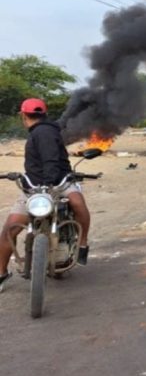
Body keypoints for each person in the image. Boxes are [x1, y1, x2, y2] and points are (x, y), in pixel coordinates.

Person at [0, 99, 91, 287]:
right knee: (10, 228)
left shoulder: (44, 132)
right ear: (44, 114)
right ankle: (83, 244)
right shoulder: (48, 129)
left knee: (10, 230)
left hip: (58, 183)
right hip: (34, 187)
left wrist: (49, 182)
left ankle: (82, 244)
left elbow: (50, 159)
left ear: (23, 115)